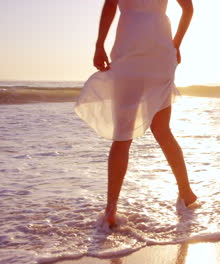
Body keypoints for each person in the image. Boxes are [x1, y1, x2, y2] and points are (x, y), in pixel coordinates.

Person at [74, 0, 197, 227]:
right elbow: (188, 8)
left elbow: (111, 4)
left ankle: (111, 209)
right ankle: (187, 194)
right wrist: (175, 44)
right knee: (162, 130)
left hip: (129, 47)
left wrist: (99, 45)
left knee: (122, 136)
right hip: (160, 51)